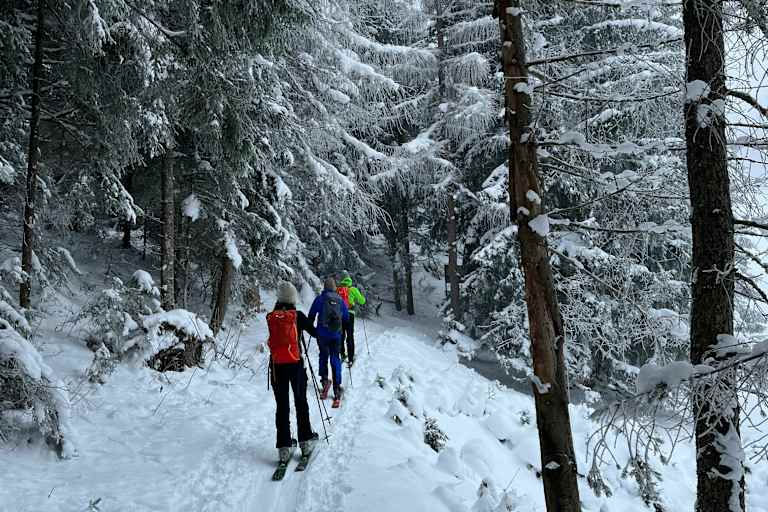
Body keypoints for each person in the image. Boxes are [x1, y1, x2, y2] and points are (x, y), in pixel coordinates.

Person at [267, 281, 319, 466]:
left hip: (276, 366)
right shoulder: (297, 316)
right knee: (300, 402)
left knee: (282, 406)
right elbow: (315, 332)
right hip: (295, 365)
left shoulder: (272, 316)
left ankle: (284, 447)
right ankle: (305, 442)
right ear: (293, 298)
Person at [309, 277, 349, 401]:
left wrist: (313, 329)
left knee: (323, 356)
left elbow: (311, 315)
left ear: (325, 287)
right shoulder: (340, 300)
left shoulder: (320, 299)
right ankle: (337, 387)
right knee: (335, 358)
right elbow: (346, 317)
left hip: (322, 334)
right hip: (336, 335)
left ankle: (324, 380)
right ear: (334, 287)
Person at [336, 272, 366, 366]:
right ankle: (350, 357)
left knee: (341, 335)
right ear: (349, 280)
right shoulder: (353, 289)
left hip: (340, 315)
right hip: (350, 314)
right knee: (350, 336)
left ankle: (342, 354)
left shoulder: (338, 290)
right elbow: (362, 301)